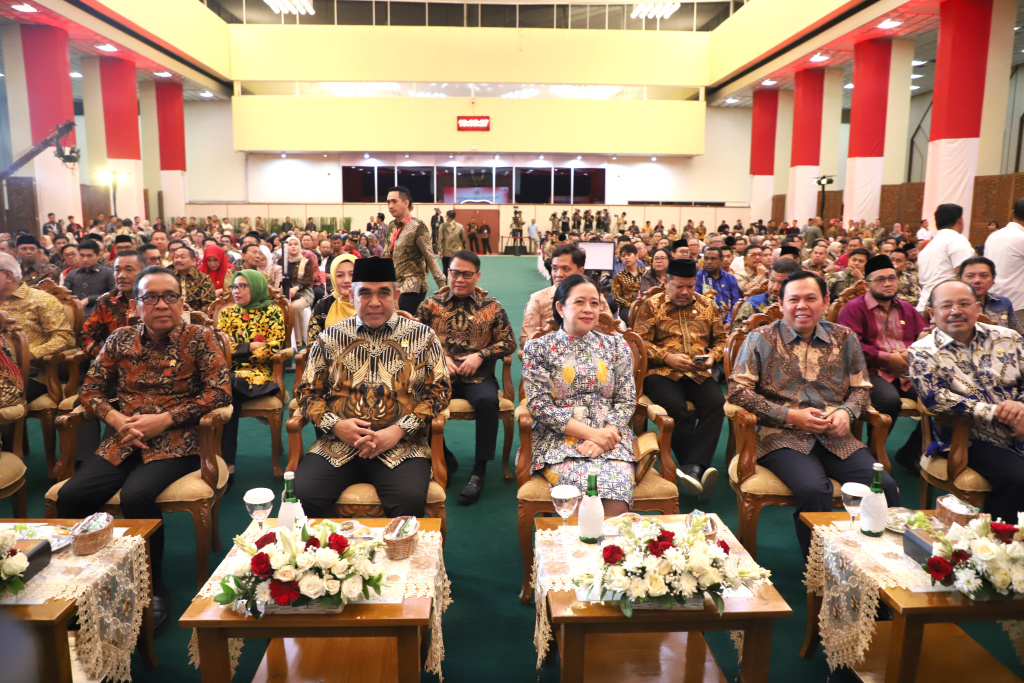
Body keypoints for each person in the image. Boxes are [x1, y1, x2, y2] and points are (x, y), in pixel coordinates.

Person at [55, 265, 231, 632]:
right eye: (150, 297)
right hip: (124, 439)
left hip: (179, 441)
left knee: (137, 495)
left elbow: (219, 392)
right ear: (136, 304)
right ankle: (85, 580)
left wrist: (166, 419)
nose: (161, 304)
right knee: (72, 495)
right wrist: (117, 420)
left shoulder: (200, 337)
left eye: (169, 296)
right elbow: (90, 391)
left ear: (181, 302)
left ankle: (151, 585)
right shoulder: (119, 339)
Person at [728, 271, 899, 556]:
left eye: (811, 298)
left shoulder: (844, 338)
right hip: (781, 436)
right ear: (781, 303)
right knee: (813, 488)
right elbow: (737, 391)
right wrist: (788, 415)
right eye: (793, 299)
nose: (802, 306)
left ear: (825, 301)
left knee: (884, 487)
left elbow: (862, 388)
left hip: (837, 436)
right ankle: (818, 568)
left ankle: (877, 564)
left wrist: (846, 412)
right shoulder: (761, 338)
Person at [293, 257, 451, 519]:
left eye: (383, 293)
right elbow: (307, 392)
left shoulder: (423, 336)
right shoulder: (330, 337)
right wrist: (336, 425)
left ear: (397, 296)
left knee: (408, 499)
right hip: (337, 445)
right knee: (305, 494)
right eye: (364, 293)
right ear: (351, 296)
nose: (374, 302)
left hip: (402, 447)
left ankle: (396, 558)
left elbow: (441, 391)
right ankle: (333, 556)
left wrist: (399, 430)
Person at [909, 279, 1024, 525]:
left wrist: (1022, 408)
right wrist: (997, 412)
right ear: (932, 313)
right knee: (1017, 478)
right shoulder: (923, 351)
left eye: (963, 304)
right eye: (946, 305)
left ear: (977, 307)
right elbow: (935, 398)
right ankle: (999, 543)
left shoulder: (1009, 338)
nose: (955, 311)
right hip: (972, 438)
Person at [522, 274, 637, 514]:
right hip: (559, 440)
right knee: (582, 496)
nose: (588, 309)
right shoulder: (539, 348)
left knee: (616, 494)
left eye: (594, 303)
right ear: (560, 307)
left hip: (612, 437)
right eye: (579, 302)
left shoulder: (616, 345)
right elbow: (539, 406)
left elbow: (627, 400)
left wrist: (606, 435)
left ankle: (612, 551)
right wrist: (593, 434)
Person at [417, 250, 516, 504]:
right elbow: (413, 339)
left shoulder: (492, 307)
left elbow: (509, 342)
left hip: (478, 378)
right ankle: (446, 458)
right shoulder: (431, 305)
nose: (460, 279)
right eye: (454, 273)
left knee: (487, 403)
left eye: (466, 274)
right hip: (440, 377)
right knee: (417, 401)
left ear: (477, 275)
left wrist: (481, 355)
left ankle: (479, 471)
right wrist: (439, 357)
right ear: (447, 273)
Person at [633, 259, 727, 501]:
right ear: (666, 281)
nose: (685, 292)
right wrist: (667, 357)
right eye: (679, 286)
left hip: (697, 373)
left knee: (716, 403)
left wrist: (712, 358)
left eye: (690, 286)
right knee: (675, 409)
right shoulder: (651, 306)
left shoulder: (707, 305)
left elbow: (722, 342)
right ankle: (695, 467)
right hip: (660, 373)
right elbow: (639, 343)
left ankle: (691, 468)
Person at [837, 255, 928, 472]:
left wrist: (914, 349)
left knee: (939, 398)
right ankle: (872, 452)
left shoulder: (907, 309)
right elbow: (850, 347)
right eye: (880, 279)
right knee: (889, 401)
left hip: (907, 372)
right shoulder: (854, 309)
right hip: (871, 371)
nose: (887, 283)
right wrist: (887, 358)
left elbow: (925, 337)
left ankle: (910, 452)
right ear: (867, 284)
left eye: (891, 278)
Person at [216, 270, 286, 474]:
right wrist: (250, 347)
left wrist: (236, 350)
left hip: (260, 374)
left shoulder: (273, 312)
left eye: (242, 286)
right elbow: (220, 347)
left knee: (226, 390)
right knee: (229, 389)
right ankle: (225, 463)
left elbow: (274, 348)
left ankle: (226, 464)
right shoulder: (227, 313)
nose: (236, 291)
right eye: (234, 287)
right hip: (230, 374)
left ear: (255, 287)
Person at [0, 252, 75, 402]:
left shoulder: (40, 299)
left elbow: (65, 338)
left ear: (8, 275)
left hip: (31, 375)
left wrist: (31, 354)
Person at [520, 245, 612, 348]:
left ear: (580, 271)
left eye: (565, 269)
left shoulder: (596, 298)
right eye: (554, 269)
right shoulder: (538, 299)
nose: (558, 274)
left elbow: (610, 333)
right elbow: (526, 341)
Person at [381, 186, 445, 314]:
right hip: (394, 285)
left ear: (406, 203)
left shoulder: (418, 226)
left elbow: (430, 256)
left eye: (394, 201)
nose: (390, 206)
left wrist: (443, 286)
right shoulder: (391, 226)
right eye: (388, 202)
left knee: (402, 322)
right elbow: (386, 255)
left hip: (413, 285)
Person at [81, 251, 145, 359]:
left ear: (144, 273)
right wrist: (104, 357)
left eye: (129, 270)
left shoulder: (157, 299)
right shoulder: (107, 301)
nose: (121, 276)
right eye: (117, 270)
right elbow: (85, 336)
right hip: (118, 367)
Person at [916, 203, 976, 312]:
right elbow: (968, 275)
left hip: (924, 306)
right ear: (960, 220)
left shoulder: (927, 248)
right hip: (946, 307)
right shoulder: (956, 239)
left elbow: (921, 283)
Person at [958, 256, 1024, 334]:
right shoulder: (952, 306)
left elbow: (1019, 333)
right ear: (960, 280)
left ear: (993, 280)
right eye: (970, 276)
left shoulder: (1003, 302)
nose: (977, 280)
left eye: (984, 276)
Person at [983, 198, 1024, 319]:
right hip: (1017, 305)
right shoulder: (1021, 237)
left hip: (992, 301)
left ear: (1012, 213)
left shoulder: (993, 236)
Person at [307, 254, 356, 345]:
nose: (346, 280)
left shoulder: (370, 304)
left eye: (352, 274)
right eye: (340, 275)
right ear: (333, 278)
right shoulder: (323, 305)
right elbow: (313, 344)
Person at [62, 239, 114, 319]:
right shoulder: (72, 274)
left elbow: (114, 295)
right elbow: (64, 296)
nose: (85, 259)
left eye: (89, 256)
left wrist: (90, 299)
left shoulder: (108, 273)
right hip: (75, 317)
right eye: (82, 255)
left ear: (98, 255)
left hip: (101, 317)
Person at [695, 246, 742, 326]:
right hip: (705, 323)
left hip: (728, 323)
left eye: (713, 259)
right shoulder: (697, 278)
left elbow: (736, 303)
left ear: (721, 261)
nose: (709, 262)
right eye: (706, 259)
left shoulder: (730, 278)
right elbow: (695, 304)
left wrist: (729, 321)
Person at [281, 235, 315, 343]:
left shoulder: (306, 261)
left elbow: (308, 280)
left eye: (296, 244)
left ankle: (298, 340)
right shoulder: (281, 261)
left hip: (304, 292)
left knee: (295, 307)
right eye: (290, 245)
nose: (293, 247)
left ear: (300, 246)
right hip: (284, 291)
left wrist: (296, 288)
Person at [172, 246, 216, 312]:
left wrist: (193, 316)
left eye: (182, 257)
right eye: (176, 257)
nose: (178, 260)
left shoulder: (203, 278)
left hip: (196, 319)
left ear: (193, 260)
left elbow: (208, 304)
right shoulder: (169, 277)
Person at [610, 243, 644, 320]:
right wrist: (630, 304)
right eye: (623, 256)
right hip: (627, 307)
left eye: (629, 255)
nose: (626, 258)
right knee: (632, 317)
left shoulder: (645, 275)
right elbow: (616, 296)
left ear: (637, 256)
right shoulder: (619, 277)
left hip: (645, 305)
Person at [438, 209, 466, 275]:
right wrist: (464, 248)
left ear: (447, 217)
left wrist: (440, 250)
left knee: (445, 271)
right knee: (456, 270)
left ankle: (445, 285)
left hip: (446, 252)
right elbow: (464, 239)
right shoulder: (460, 226)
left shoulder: (442, 225)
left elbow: (440, 239)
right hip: (457, 252)